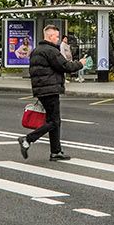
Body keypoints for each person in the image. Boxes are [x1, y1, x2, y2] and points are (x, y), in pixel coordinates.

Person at [19, 24, 80, 161]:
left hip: (42, 89)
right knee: (54, 121)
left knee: (54, 121)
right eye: (57, 36)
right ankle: (27, 139)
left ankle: (56, 152)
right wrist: (80, 63)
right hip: (50, 89)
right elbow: (65, 66)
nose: (58, 39)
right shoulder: (50, 51)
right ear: (50, 36)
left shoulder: (36, 50)